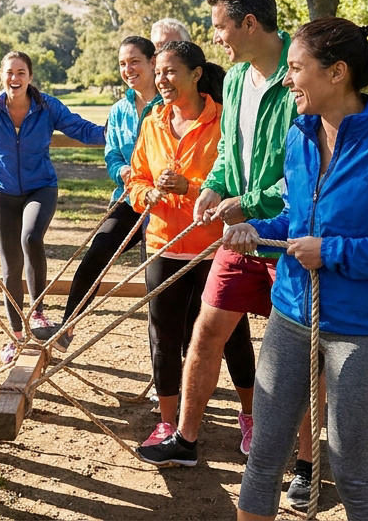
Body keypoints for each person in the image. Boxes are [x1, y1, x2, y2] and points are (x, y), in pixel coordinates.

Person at [227, 18, 368, 520]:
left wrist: (333, 253)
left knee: (351, 474)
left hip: (362, 333)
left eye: (297, 68)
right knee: (262, 460)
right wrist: (258, 231)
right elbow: (298, 218)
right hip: (289, 316)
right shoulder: (299, 136)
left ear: (337, 73)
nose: (287, 80)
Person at [136, 0, 305, 475]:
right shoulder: (233, 81)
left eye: (219, 27)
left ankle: (303, 464)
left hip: (286, 234)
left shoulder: (299, 73)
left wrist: (244, 202)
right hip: (238, 233)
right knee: (207, 333)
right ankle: (186, 439)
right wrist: (213, 185)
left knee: (292, 349)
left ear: (248, 23)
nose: (216, 39)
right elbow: (232, 153)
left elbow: (301, 170)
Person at [124, 41, 254, 449]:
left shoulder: (223, 122)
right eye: (158, 72)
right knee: (162, 335)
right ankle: (168, 424)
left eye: (170, 71)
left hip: (216, 248)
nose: (161, 79)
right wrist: (148, 195)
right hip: (164, 243)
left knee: (232, 336)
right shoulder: (152, 122)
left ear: (196, 74)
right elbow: (136, 179)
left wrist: (191, 187)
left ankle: (250, 416)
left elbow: (235, 185)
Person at [0, 51, 106, 363]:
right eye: (9, 72)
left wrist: (118, 133)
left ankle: (38, 312)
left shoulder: (47, 106)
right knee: (9, 266)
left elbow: (82, 129)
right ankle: (15, 336)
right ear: (2, 76)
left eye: (21, 72)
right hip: (3, 192)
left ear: (30, 77)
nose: (15, 78)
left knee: (31, 238)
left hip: (41, 187)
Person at [33, 36, 160, 352]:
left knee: (158, 283)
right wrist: (122, 171)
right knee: (97, 253)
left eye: (134, 61)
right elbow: (113, 153)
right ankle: (67, 327)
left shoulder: (171, 104)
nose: (128, 69)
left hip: (164, 206)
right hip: (129, 197)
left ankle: (177, 363)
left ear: (153, 62)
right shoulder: (119, 110)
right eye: (122, 63)